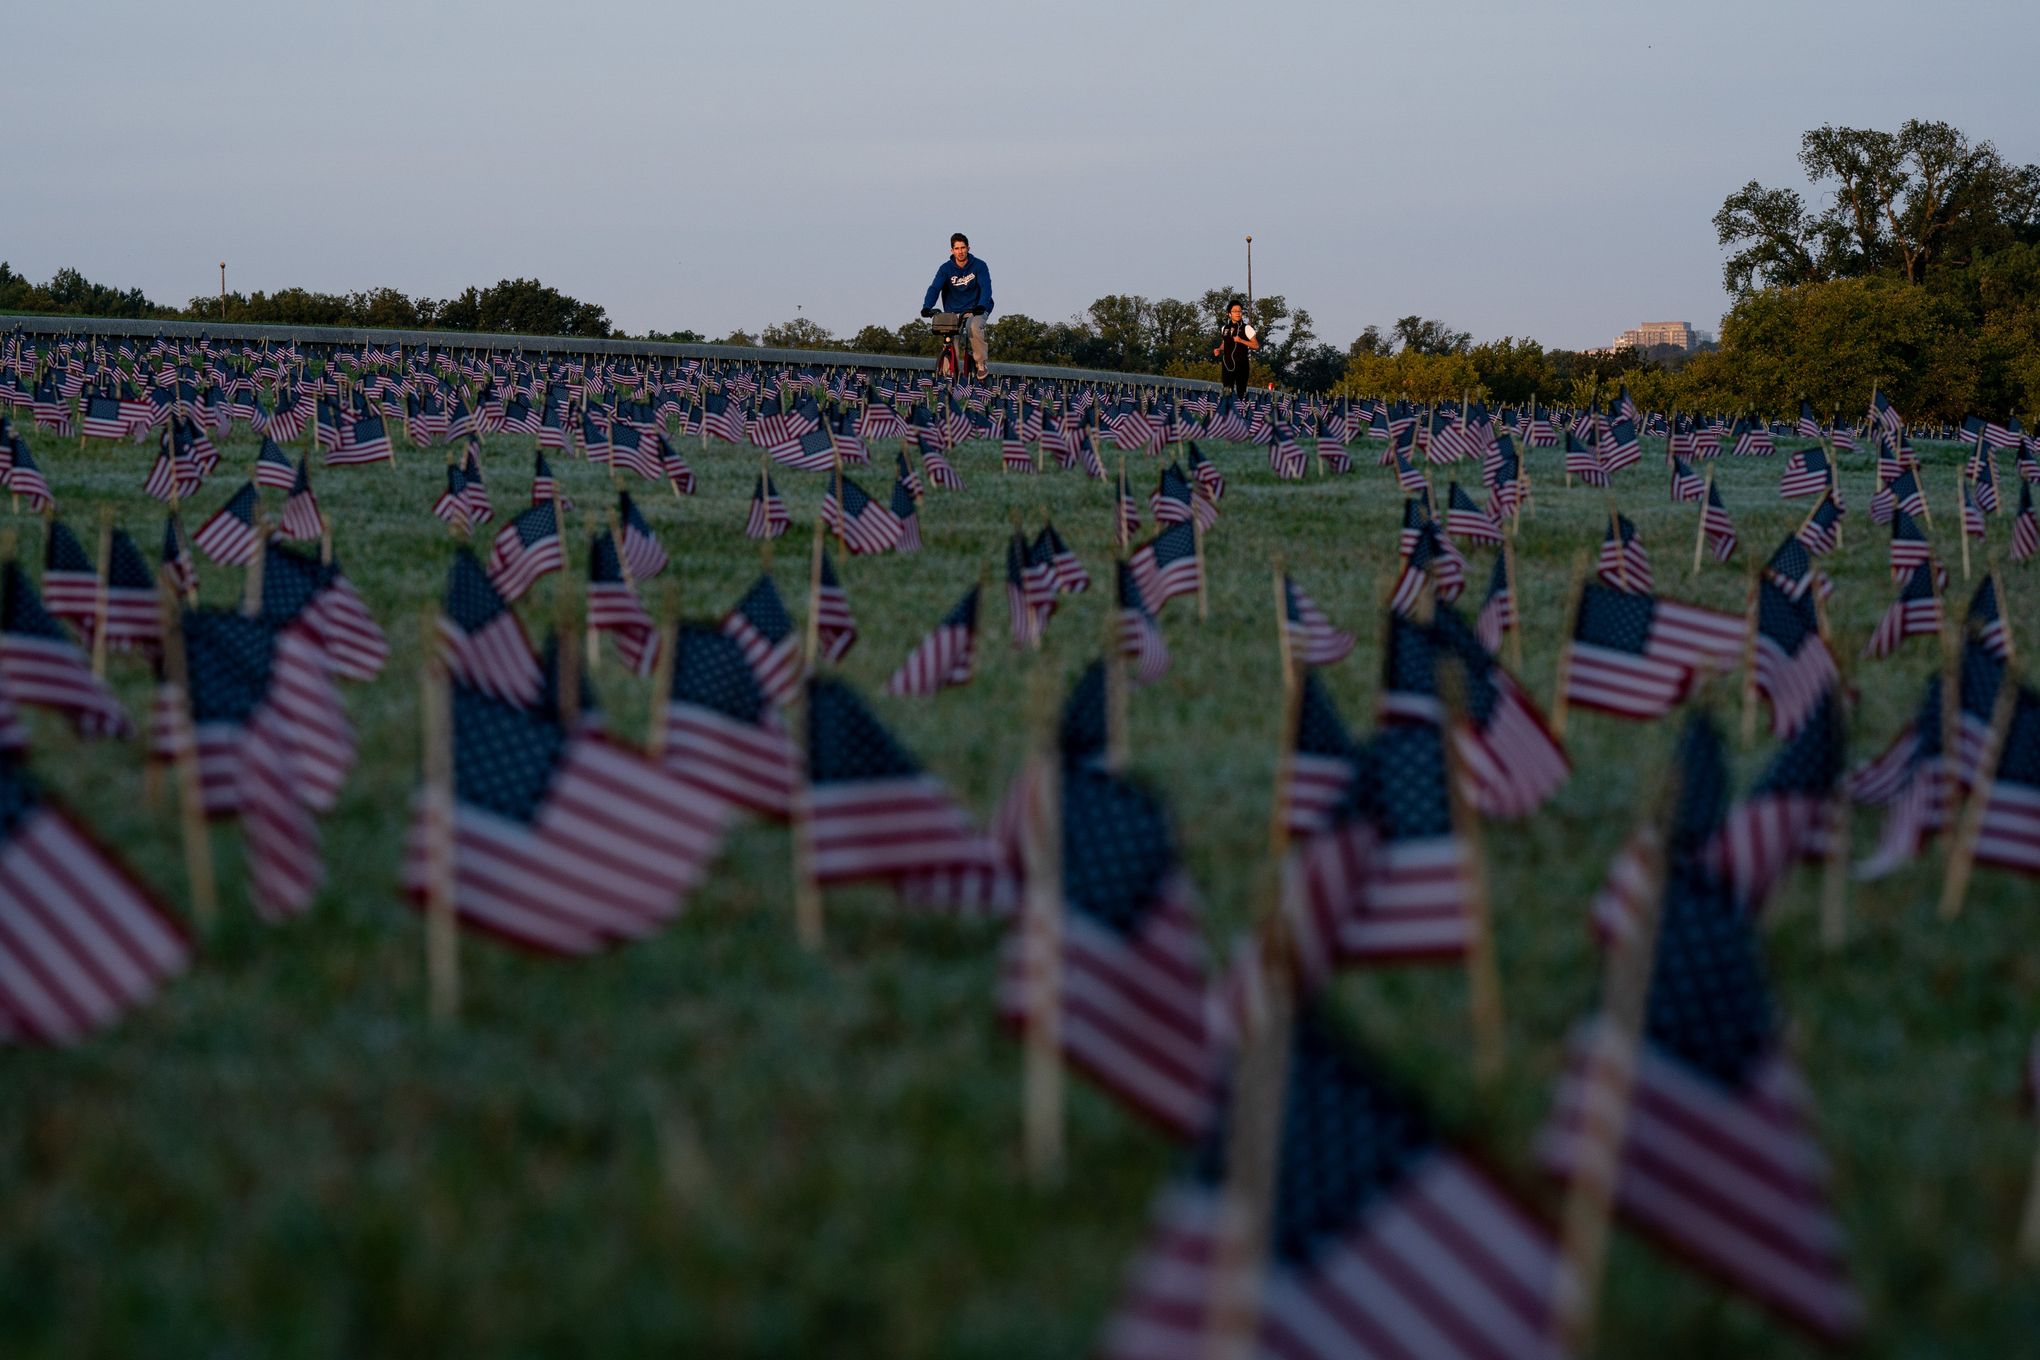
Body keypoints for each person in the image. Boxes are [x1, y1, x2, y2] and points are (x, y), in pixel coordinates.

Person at [920, 232, 993, 380]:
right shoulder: (945, 269)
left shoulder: (979, 265)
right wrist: (927, 307)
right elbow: (935, 288)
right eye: (957, 248)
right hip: (953, 311)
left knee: (973, 327)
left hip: (976, 308)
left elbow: (986, 287)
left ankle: (980, 364)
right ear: (951, 250)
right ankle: (949, 375)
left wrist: (981, 305)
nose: (960, 251)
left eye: (963, 248)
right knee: (950, 338)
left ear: (968, 248)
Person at [1213, 298, 1258, 398]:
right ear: (1229, 314)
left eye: (1240, 311)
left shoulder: (1247, 328)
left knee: (1240, 393)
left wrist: (1241, 340)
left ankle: (1240, 411)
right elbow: (1224, 343)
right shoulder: (1224, 328)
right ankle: (1227, 412)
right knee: (1226, 392)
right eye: (1235, 311)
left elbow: (1256, 345)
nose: (1238, 313)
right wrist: (1219, 349)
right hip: (1227, 364)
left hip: (1241, 365)